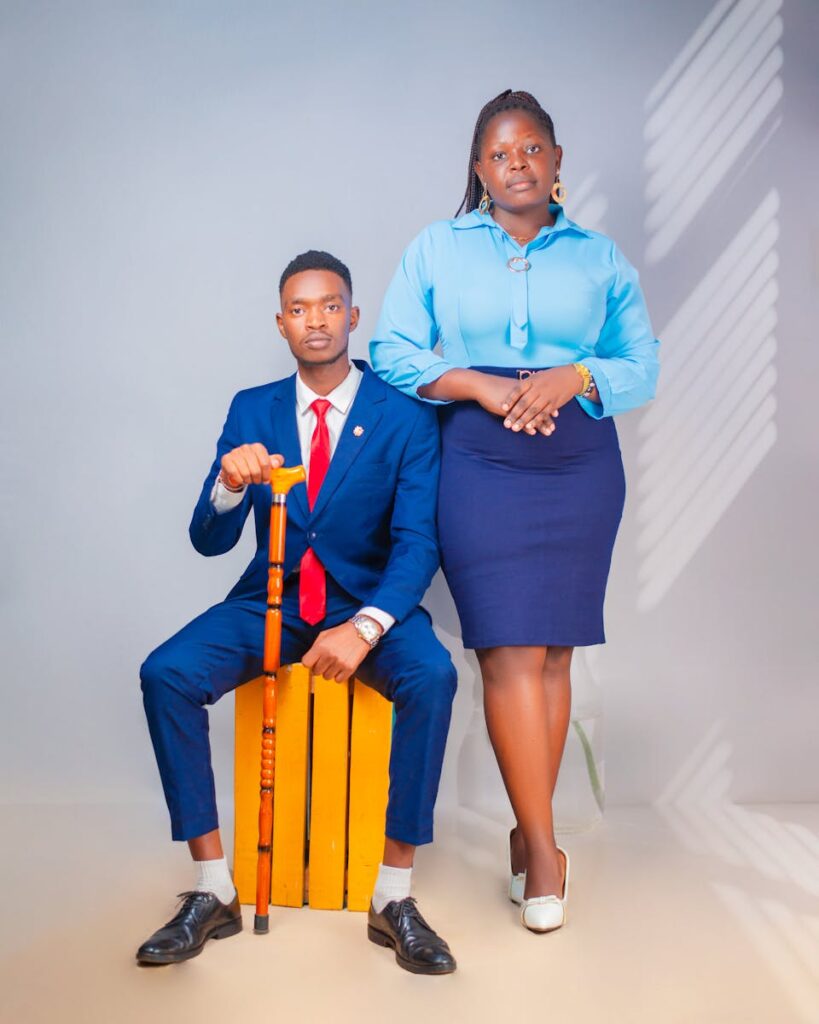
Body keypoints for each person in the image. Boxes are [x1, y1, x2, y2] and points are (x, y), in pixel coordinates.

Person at [370, 90, 659, 934]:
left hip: (576, 460)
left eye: (533, 148)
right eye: (500, 153)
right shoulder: (437, 247)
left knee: (555, 655)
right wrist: (475, 384)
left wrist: (575, 377)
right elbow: (390, 350)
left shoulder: (600, 257)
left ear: (557, 160)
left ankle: (530, 843)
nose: (518, 164)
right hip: (478, 458)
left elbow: (641, 362)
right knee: (505, 652)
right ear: (479, 169)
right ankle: (542, 849)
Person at [137, 250, 457, 975]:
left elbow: (416, 542)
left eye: (328, 304)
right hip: (272, 601)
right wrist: (224, 483)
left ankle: (393, 896)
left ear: (352, 314)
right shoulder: (251, 408)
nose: (315, 319)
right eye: (299, 308)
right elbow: (208, 538)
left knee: (432, 678)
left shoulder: (402, 413)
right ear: (281, 323)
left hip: (369, 604)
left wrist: (368, 625)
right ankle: (212, 887)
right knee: (166, 674)